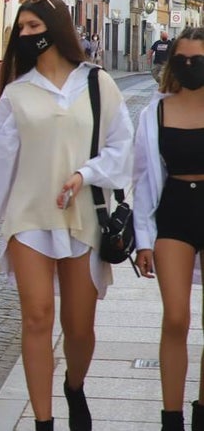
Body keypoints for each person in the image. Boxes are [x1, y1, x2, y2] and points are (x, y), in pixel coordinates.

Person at [0, 0, 133, 431]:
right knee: (37, 316)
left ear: (55, 27)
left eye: (33, 27)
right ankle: (43, 422)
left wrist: (86, 173)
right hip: (28, 219)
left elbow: (124, 146)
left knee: (79, 328)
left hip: (84, 219)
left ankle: (75, 385)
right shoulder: (16, 93)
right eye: (20, 29)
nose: (26, 35)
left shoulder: (98, 83)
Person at [133, 27, 204, 431]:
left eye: (198, 60)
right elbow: (144, 178)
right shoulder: (154, 112)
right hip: (174, 212)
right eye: (183, 60)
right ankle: (171, 418)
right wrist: (143, 240)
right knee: (175, 317)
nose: (190, 66)